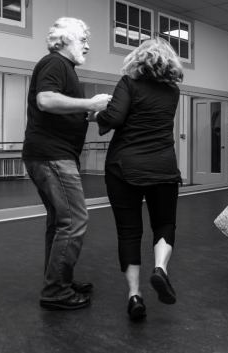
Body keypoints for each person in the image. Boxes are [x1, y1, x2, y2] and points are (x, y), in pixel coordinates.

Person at [22, 17, 111, 311]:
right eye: (82, 39)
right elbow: (46, 100)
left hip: (50, 154)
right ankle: (56, 291)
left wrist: (93, 115)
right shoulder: (55, 63)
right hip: (52, 156)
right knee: (74, 220)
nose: (87, 45)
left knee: (60, 222)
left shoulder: (66, 69)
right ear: (65, 40)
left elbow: (60, 109)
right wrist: (89, 104)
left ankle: (59, 281)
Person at [91, 38, 183, 321]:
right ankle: (160, 269)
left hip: (124, 167)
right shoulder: (173, 91)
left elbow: (116, 117)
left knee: (129, 232)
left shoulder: (128, 82)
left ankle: (134, 296)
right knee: (164, 222)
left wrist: (96, 115)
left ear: (139, 59)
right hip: (163, 167)